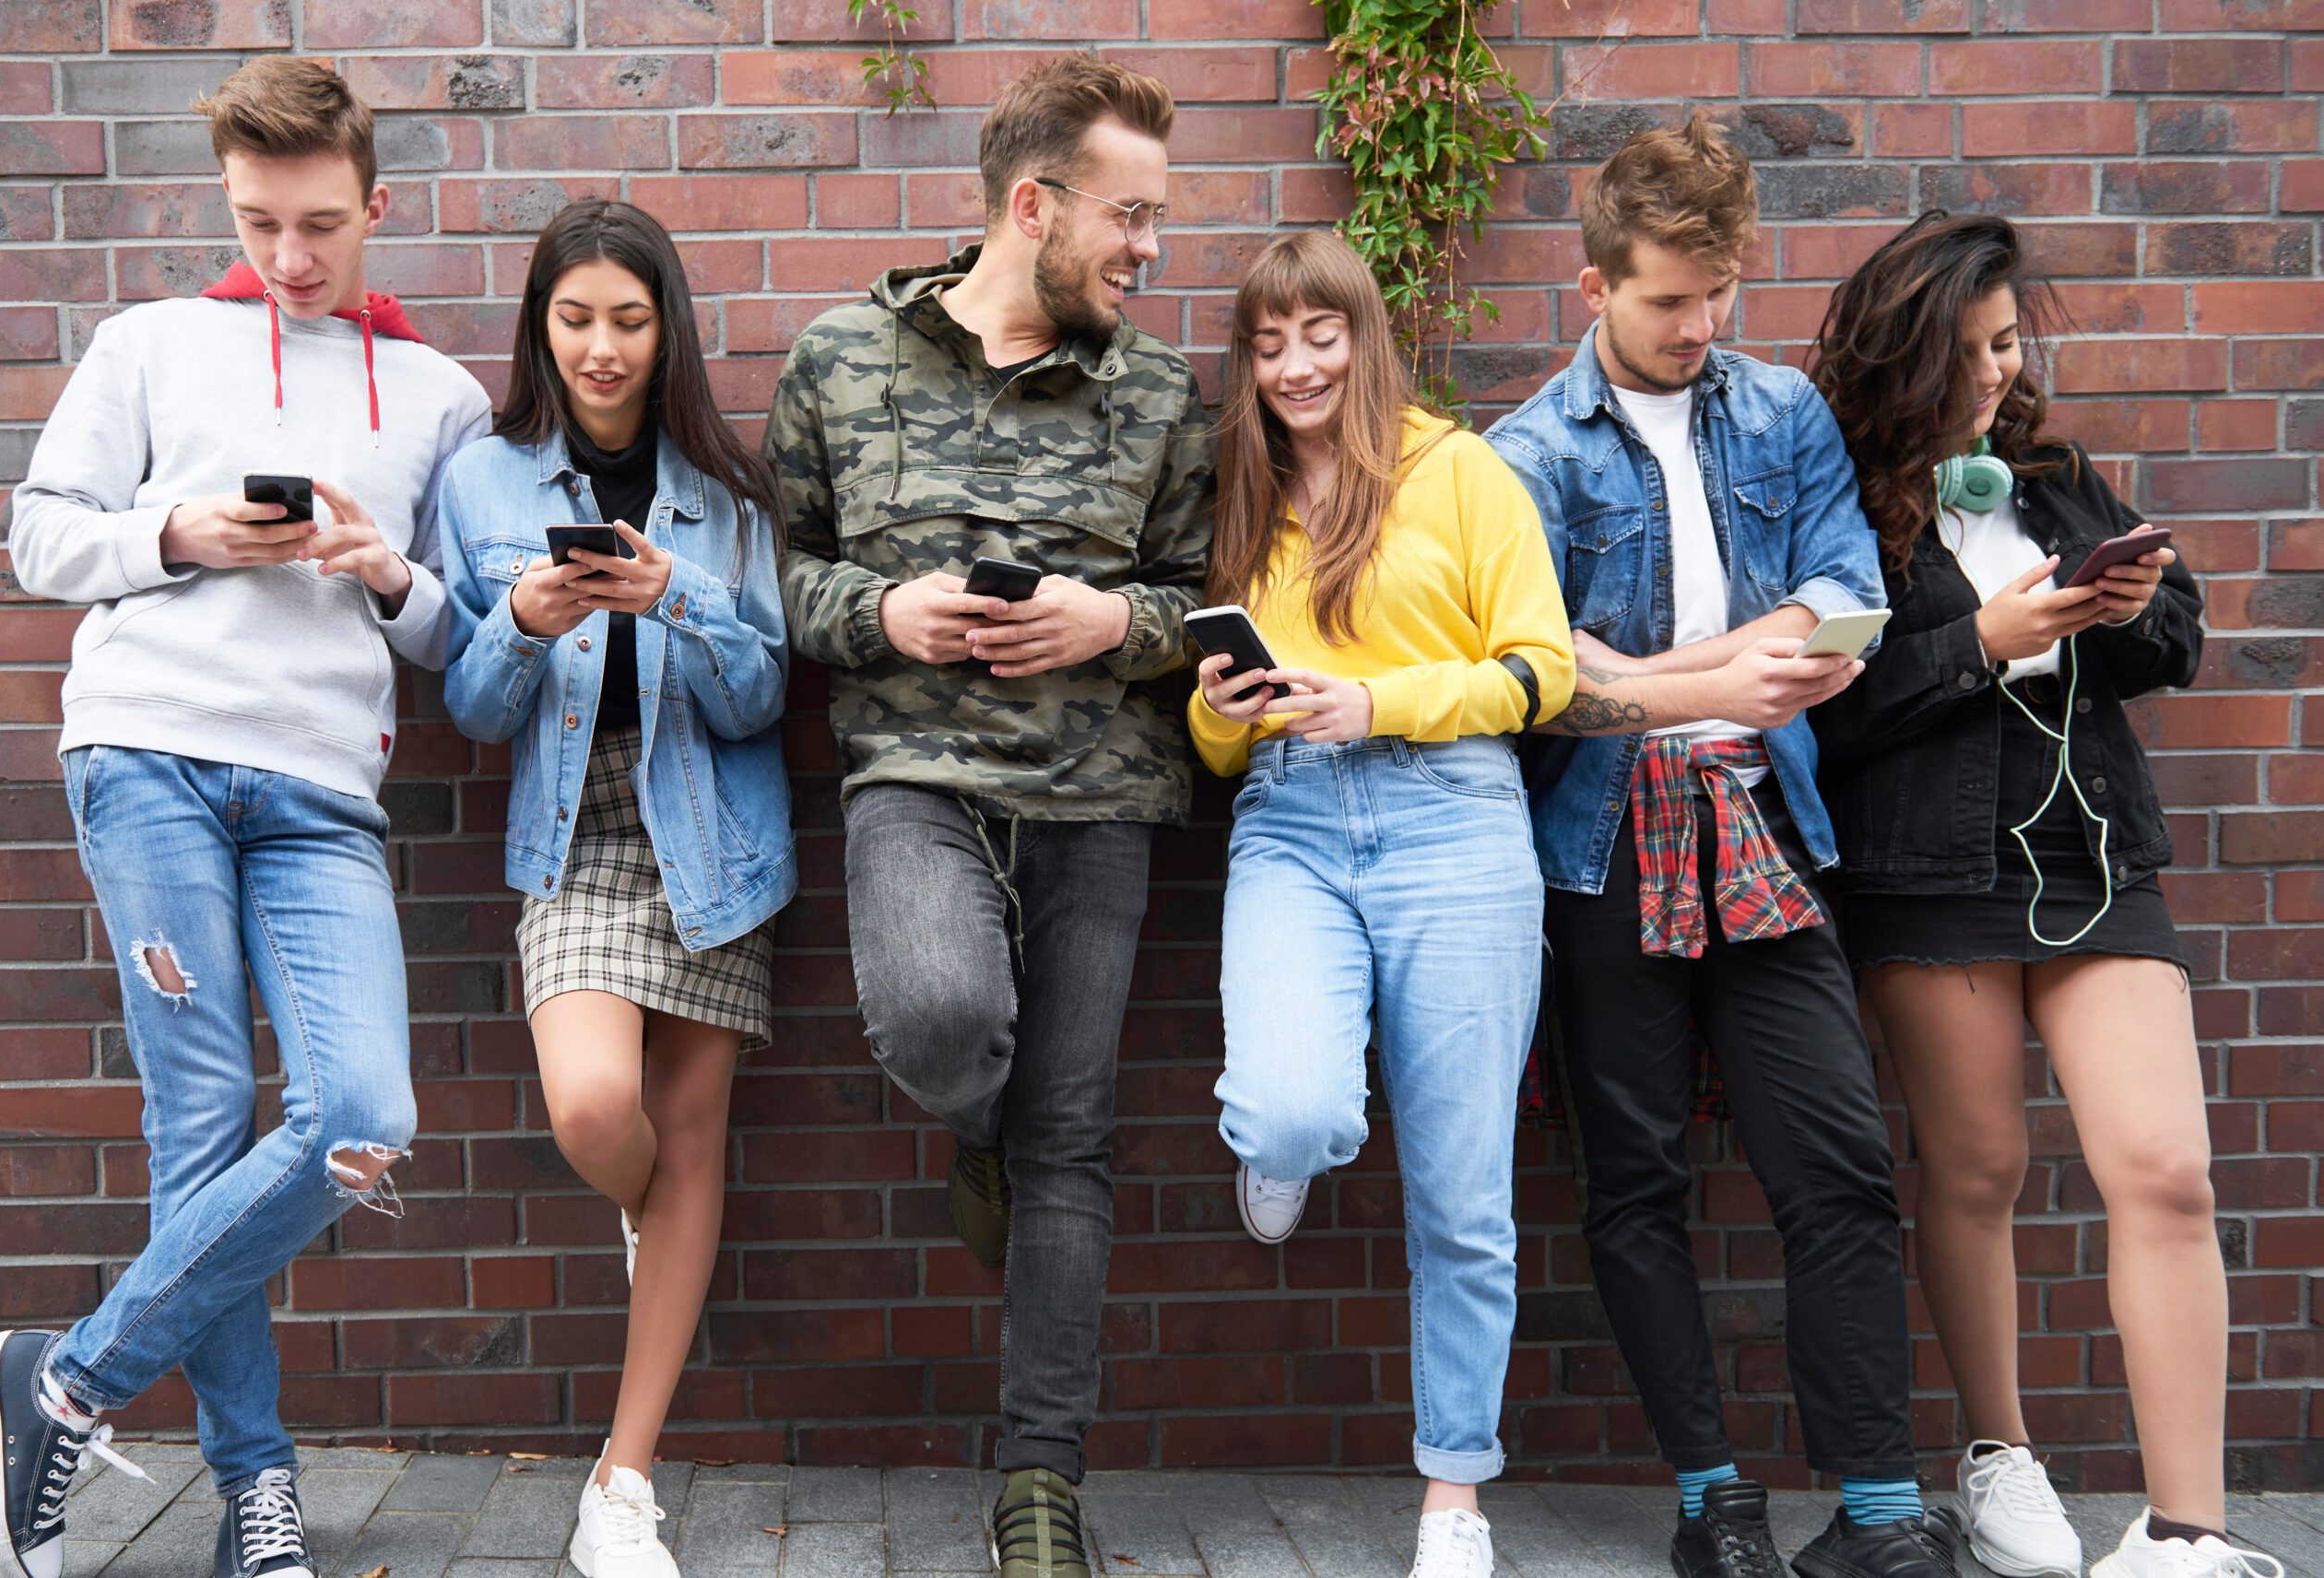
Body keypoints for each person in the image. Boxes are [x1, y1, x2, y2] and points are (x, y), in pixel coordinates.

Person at [0, 56, 490, 1578]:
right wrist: (179, 533)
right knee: (200, 1128)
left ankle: (60, 1375)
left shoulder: (442, 397)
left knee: (362, 1118)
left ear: (377, 206)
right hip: (147, 755)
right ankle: (252, 1490)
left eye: (323, 223)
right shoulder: (147, 342)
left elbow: (465, 642)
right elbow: (36, 537)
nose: (291, 258)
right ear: (229, 201)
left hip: (323, 794)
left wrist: (386, 575)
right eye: (261, 221)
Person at [1483, 117, 1953, 1578]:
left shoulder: (1782, 412)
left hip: (1765, 820)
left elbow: (1841, 582)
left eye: (1719, 293)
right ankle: (1711, 1497)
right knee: (1633, 1179)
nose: (1700, 326)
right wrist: (1711, 680)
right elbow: (1542, 671)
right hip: (1602, 842)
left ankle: (1878, 1514)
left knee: (1841, 1166)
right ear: (1592, 288)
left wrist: (1752, 649)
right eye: (1667, 300)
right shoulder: (1523, 455)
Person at [762, 53, 1212, 1578]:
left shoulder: (1159, 391)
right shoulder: (839, 358)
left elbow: (1206, 599)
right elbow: (785, 574)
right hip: (917, 782)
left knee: (1074, 1139)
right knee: (952, 1023)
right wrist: (887, 611)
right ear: (1034, 205)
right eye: (1129, 218)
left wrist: (1112, 625)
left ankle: (1039, 1483)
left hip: (1103, 799)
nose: (1147, 251)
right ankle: (976, 1131)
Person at [1809, 213, 2273, 1578]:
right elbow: (1826, 709)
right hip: (1926, 865)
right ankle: (2002, 1461)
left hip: (2090, 861)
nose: (1992, 378)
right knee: (1977, 1168)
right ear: (1903, 360)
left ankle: (2189, 1533)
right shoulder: (1835, 492)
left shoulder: (2055, 475)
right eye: (1961, 357)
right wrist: (1979, 643)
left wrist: (2133, 610)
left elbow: (2174, 636)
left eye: (2005, 345)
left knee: (2165, 1169)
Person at [1191, 231, 1571, 1578]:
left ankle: (1454, 1495)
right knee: (1293, 1102)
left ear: (1363, 336)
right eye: (1268, 342)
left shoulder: (1457, 471)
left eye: (1319, 334)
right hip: (1291, 818)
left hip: (1456, 822)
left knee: (1464, 1197)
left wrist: (1382, 700)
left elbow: (1542, 674)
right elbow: (1217, 744)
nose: (1294, 365)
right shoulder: (1241, 489)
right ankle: (1281, 1144)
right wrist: (1223, 708)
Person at [434, 197, 796, 1578]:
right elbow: (470, 705)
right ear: (542, 325)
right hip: (575, 837)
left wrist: (681, 600)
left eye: (628, 320)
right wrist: (522, 627)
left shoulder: (731, 495)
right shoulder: (484, 484)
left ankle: (621, 1486)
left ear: (667, 331)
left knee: (691, 1130)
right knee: (600, 1114)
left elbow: (763, 698)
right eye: (575, 318)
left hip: (713, 837)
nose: (600, 347)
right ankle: (659, 1223)